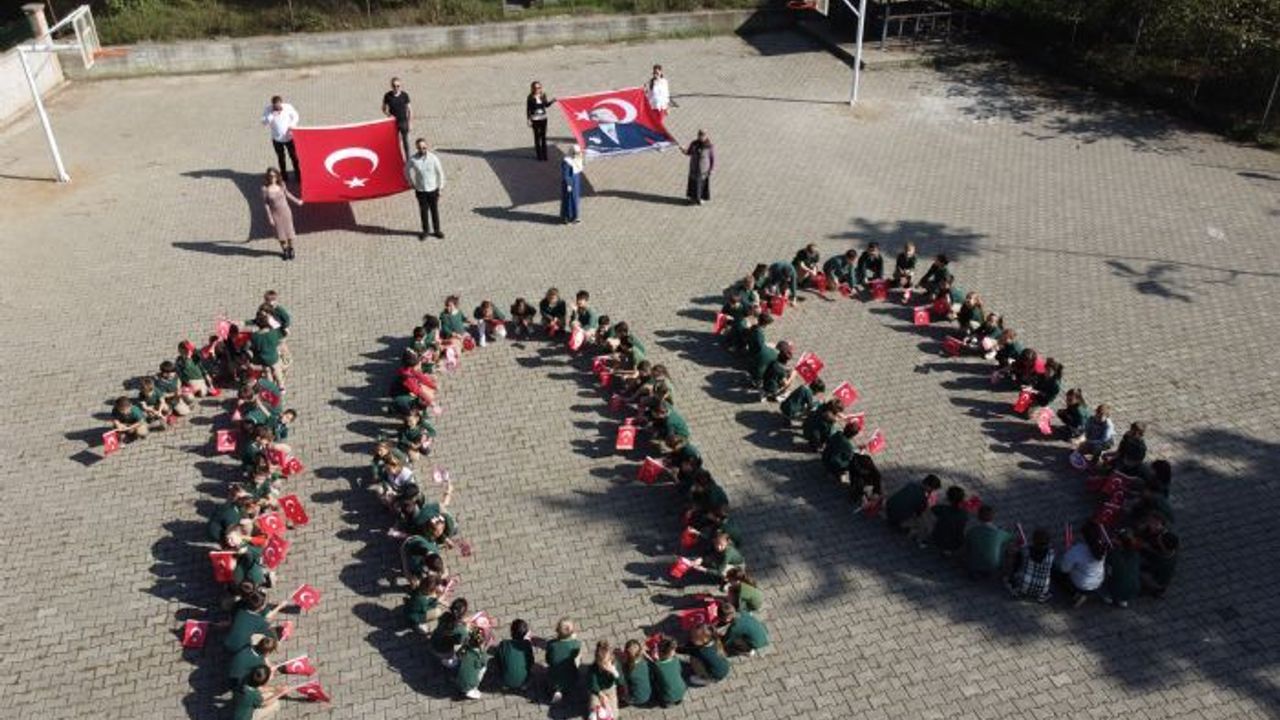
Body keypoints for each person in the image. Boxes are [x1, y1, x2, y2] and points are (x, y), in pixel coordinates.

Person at [1056, 523, 1107, 607]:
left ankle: (1075, 594)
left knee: (1057, 572)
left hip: (1082, 585)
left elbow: (1064, 569)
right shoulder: (1103, 548)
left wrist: (1067, 554)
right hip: (1098, 581)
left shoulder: (1077, 550)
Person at [406, 138, 445, 240]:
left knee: (434, 211)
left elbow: (440, 173)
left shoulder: (433, 158)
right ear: (417, 148)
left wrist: (440, 188)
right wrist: (411, 183)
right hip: (421, 190)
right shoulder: (413, 159)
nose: (422, 150)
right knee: (423, 212)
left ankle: (437, 230)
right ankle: (425, 231)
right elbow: (406, 170)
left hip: (433, 189)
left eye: (424, 147)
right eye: (420, 148)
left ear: (427, 147)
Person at [261, 167, 302, 261]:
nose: (272, 178)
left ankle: (291, 249)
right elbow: (266, 204)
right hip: (276, 215)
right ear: (267, 177)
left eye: (274, 176)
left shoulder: (282, 185)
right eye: (270, 176)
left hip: (286, 212)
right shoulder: (265, 189)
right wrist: (270, 218)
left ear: (277, 176)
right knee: (280, 235)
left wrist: (297, 201)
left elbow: (288, 194)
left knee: (290, 233)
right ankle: (285, 250)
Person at [1006, 527, 1055, 602]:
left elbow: (1017, 562)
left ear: (1033, 540)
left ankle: (1011, 582)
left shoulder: (1026, 550)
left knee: (1016, 560)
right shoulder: (1051, 553)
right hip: (1042, 589)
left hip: (1024, 585)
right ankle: (1042, 596)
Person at [964, 505, 1012, 579]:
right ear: (993, 517)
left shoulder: (972, 531)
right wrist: (1003, 530)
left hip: (974, 565)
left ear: (978, 517)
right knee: (1004, 545)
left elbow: (967, 545)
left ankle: (976, 570)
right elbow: (1010, 537)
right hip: (993, 566)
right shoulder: (998, 533)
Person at [260, 95, 300, 182]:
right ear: (272, 105)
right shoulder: (268, 110)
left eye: (279, 105)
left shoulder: (288, 107)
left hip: (289, 138)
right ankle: (284, 176)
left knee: (294, 157)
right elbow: (263, 122)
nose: (278, 107)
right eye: (275, 106)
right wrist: (271, 115)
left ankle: (298, 175)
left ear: (281, 103)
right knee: (281, 158)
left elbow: (296, 116)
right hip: (277, 139)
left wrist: (291, 125)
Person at [545, 618, 581, 704]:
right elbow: (575, 655)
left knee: (554, 678)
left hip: (554, 674)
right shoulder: (576, 644)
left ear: (557, 631)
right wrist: (573, 639)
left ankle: (557, 691)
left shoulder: (551, 644)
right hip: (569, 673)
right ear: (572, 633)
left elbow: (548, 659)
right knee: (571, 674)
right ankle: (566, 692)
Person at [1101, 532, 1142, 608]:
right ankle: (1123, 600)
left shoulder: (1113, 555)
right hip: (1134, 589)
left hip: (1116, 589)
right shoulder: (1136, 554)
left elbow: (1108, 571)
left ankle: (1109, 597)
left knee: (1102, 575)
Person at [495, 619, 535, 693]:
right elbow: (531, 662)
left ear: (511, 632)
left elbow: (498, 660)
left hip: (505, 681)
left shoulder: (504, 644)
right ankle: (523, 686)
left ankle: (506, 685)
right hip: (523, 681)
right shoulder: (527, 645)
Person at [927, 485, 970, 554]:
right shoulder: (963, 514)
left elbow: (932, 508)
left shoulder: (942, 509)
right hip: (955, 542)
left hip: (937, 538)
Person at [586, 640, 620, 719]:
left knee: (614, 714)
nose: (605, 666)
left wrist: (614, 672)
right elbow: (593, 684)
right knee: (594, 709)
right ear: (597, 661)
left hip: (610, 690)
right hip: (597, 691)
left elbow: (620, 682)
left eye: (607, 662)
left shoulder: (615, 666)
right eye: (603, 663)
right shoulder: (593, 669)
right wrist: (600, 694)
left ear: (611, 658)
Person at [381, 76, 413, 158]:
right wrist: (389, 115)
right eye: (394, 86)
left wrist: (410, 123)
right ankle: (397, 158)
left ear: (400, 86)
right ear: (391, 86)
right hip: (393, 123)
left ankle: (408, 159)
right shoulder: (387, 96)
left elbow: (410, 110)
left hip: (403, 122)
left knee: (406, 142)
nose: (396, 88)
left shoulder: (404, 95)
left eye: (398, 86)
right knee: (395, 142)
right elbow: (383, 108)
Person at [651, 637, 686, 707]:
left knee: (655, 685)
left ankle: (666, 703)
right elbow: (679, 670)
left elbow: (653, 677)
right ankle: (678, 700)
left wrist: (655, 659)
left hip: (668, 696)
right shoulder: (676, 660)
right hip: (682, 690)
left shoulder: (657, 665)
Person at [682, 129, 714, 205]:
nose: (701, 137)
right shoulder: (694, 144)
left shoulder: (709, 146)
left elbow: (712, 158)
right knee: (693, 183)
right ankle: (692, 198)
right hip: (694, 167)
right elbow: (689, 152)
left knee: (701, 184)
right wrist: (683, 150)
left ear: (706, 136)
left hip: (703, 169)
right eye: (700, 135)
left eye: (703, 136)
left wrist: (711, 169)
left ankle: (700, 198)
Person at [526, 81, 556, 161]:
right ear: (532, 89)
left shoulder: (543, 95)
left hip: (543, 118)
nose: (537, 89)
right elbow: (528, 109)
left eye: (539, 87)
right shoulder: (530, 97)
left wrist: (552, 101)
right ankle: (539, 155)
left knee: (543, 137)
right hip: (535, 119)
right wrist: (528, 119)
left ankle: (545, 155)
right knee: (537, 137)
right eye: (535, 88)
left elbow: (546, 105)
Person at [618, 639, 653, 707]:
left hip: (636, 699)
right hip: (648, 694)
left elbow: (622, 682)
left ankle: (626, 701)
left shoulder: (627, 668)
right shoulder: (645, 662)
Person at [456, 627, 489, 700]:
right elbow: (484, 663)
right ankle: (472, 689)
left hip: (458, 681)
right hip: (471, 684)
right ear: (482, 643)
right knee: (484, 667)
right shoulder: (481, 655)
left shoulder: (465, 648)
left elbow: (458, 654)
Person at [561, 144, 584, 224]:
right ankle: (566, 217)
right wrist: (569, 184)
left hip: (576, 182)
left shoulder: (578, 159)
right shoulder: (567, 162)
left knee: (575, 200)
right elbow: (565, 175)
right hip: (569, 183)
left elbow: (579, 169)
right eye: (575, 153)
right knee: (568, 200)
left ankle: (575, 216)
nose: (577, 155)